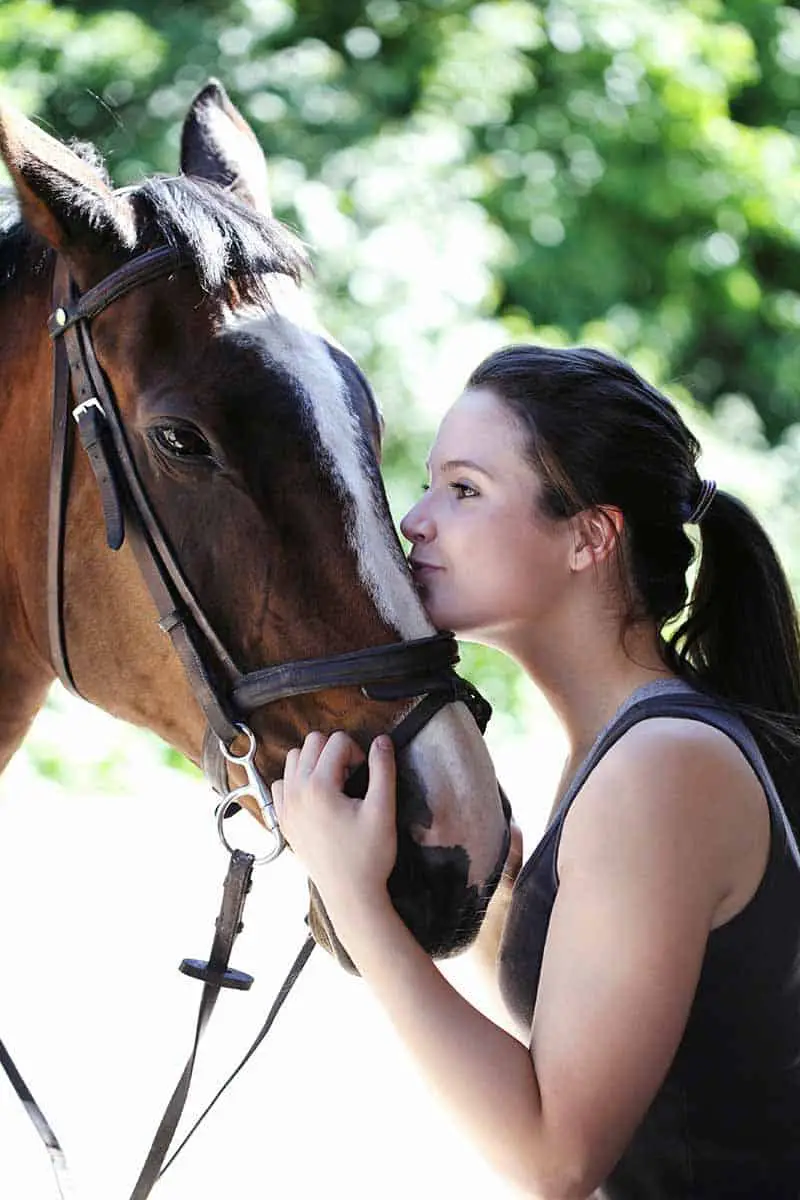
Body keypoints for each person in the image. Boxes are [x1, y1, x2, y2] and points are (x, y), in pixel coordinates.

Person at [272, 343, 800, 1199]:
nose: (415, 519)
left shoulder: (663, 766)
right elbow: (602, 1052)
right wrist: (491, 922)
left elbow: (556, 1158)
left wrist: (357, 902)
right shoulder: (618, 752)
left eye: (465, 490)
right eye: (432, 483)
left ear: (590, 537)